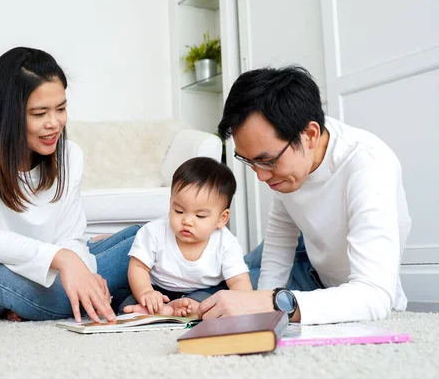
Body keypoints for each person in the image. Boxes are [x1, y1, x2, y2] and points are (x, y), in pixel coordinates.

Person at [0, 47, 140, 323]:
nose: (54, 123)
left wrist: (82, 269)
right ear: (7, 113)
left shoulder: (70, 154)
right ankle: (115, 297)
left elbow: (70, 237)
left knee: (146, 240)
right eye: (39, 113)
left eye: (61, 109)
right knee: (13, 277)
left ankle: (90, 296)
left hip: (50, 268)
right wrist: (66, 260)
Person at [198, 66, 411, 324]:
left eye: (267, 161)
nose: (261, 176)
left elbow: (375, 295)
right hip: (308, 252)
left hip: (328, 285)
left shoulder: (369, 165)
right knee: (208, 268)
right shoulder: (290, 160)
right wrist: (262, 309)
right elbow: (279, 238)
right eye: (249, 161)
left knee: (209, 294)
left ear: (310, 135)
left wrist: (271, 302)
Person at [121, 157, 252, 317]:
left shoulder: (226, 243)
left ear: (221, 218)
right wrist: (146, 292)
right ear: (171, 204)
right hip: (158, 289)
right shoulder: (154, 231)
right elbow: (138, 267)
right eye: (179, 211)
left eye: (200, 215)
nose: (187, 221)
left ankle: (183, 309)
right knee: (124, 299)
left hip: (203, 290)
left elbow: (239, 281)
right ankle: (161, 308)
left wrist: (242, 304)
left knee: (217, 299)